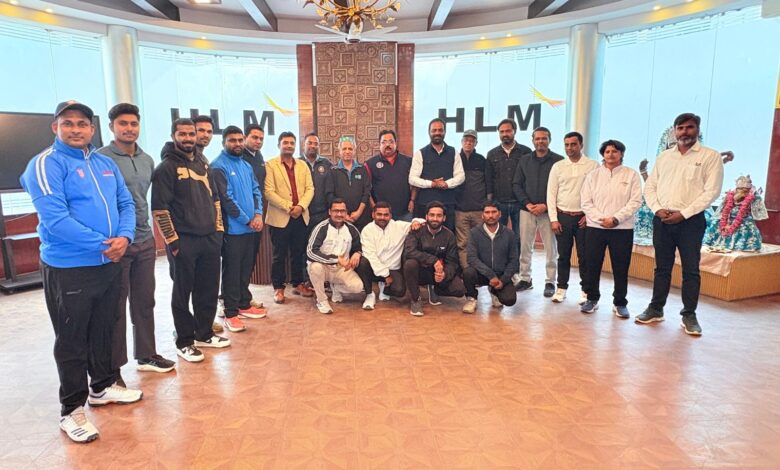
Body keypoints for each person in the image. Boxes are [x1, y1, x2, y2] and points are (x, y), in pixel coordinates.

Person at [20, 100, 142, 443]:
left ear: (92, 128)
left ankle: (102, 387)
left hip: (109, 262)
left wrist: (125, 237)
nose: (76, 129)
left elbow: (126, 203)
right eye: (68, 123)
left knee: (105, 328)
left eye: (82, 124)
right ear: (55, 127)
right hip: (70, 267)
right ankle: (71, 410)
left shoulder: (104, 163)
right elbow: (55, 219)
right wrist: (104, 244)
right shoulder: (45, 164)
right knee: (72, 340)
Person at [99, 103, 175, 386]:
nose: (129, 129)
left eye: (133, 124)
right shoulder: (100, 158)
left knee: (144, 302)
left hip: (144, 240)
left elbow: (144, 199)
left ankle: (147, 355)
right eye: (123, 124)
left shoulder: (147, 160)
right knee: (115, 309)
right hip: (116, 244)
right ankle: (113, 371)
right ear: (112, 127)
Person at [152, 118, 230, 363]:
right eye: (182, 134)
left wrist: (218, 231)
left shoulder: (202, 163)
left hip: (209, 239)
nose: (188, 138)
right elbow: (160, 209)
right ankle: (184, 342)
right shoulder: (165, 168)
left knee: (208, 289)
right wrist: (173, 242)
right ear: (173, 136)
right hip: (183, 242)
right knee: (182, 294)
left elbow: (215, 199)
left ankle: (204, 334)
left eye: (191, 134)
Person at [639, 113, 724, 336]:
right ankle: (656, 309)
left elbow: (712, 192)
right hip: (662, 219)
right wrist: (657, 209)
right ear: (675, 131)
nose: (685, 132)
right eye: (680, 128)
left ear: (697, 129)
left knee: (691, 270)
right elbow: (651, 187)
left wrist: (683, 214)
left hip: (691, 221)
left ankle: (689, 315)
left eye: (690, 127)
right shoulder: (664, 157)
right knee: (662, 268)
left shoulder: (710, 156)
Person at [211, 126, 266, 333]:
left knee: (245, 269)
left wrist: (258, 214)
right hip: (233, 230)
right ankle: (230, 312)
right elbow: (226, 199)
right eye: (232, 140)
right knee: (232, 272)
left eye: (239, 140)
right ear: (224, 142)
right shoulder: (218, 166)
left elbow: (256, 191)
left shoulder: (245, 165)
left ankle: (243, 304)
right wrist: (247, 219)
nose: (237, 144)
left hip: (251, 228)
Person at [580, 140, 642, 318]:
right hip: (596, 228)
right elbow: (586, 202)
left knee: (621, 267)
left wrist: (616, 219)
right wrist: (602, 219)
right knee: (592, 265)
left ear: (621, 154)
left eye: (615, 151)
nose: (611, 154)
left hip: (622, 229)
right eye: (607, 152)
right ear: (603, 155)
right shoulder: (593, 175)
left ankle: (620, 303)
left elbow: (635, 201)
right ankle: (592, 299)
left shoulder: (631, 175)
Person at [546, 131, 598, 305]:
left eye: (573, 144)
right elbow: (551, 194)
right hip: (563, 218)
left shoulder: (593, 165)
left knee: (585, 256)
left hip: (584, 219)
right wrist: (554, 219)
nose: (570, 148)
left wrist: (589, 215)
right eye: (567, 145)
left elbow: (597, 193)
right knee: (563, 256)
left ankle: (585, 291)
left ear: (581, 145)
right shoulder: (558, 166)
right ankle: (561, 288)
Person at [512, 126, 564, 297]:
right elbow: (517, 184)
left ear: (549, 140)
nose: (540, 141)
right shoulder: (524, 160)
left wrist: (546, 206)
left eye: (544, 138)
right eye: (537, 138)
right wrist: (527, 204)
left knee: (551, 248)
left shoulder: (559, 161)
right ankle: (525, 278)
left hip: (549, 212)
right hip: (527, 210)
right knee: (525, 246)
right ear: (533, 141)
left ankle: (550, 282)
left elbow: (562, 189)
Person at [264, 131, 315, 304]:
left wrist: (300, 206)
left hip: (301, 216)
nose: (289, 146)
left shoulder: (302, 165)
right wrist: (288, 207)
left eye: (292, 143)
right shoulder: (270, 165)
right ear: (279, 145)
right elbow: (268, 191)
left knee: (298, 252)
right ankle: (278, 288)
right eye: (285, 142)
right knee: (279, 255)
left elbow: (310, 189)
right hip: (280, 217)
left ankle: (298, 284)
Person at [403, 201, 466, 316]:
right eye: (432, 215)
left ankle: (434, 289)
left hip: (438, 272)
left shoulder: (449, 235)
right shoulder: (416, 230)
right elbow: (409, 251)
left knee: (459, 290)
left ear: (444, 218)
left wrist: (444, 274)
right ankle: (416, 299)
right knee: (410, 264)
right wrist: (433, 260)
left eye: (439, 215)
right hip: (420, 271)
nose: (435, 219)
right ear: (426, 216)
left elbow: (452, 261)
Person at [356, 201, 423, 309]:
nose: (382, 217)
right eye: (379, 214)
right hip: (373, 267)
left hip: (393, 268)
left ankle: (385, 288)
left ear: (390, 216)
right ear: (373, 215)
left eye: (386, 215)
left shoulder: (399, 226)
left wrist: (416, 221)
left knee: (400, 291)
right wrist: (386, 275)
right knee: (362, 262)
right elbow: (371, 256)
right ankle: (369, 294)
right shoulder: (367, 230)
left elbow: (422, 222)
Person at [306, 199, 365, 314]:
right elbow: (311, 252)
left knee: (358, 287)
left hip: (342, 269)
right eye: (336, 211)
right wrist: (335, 259)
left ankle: (336, 288)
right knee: (315, 267)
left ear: (346, 212)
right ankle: (322, 300)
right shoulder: (321, 228)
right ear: (329, 212)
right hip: (323, 267)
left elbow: (361, 246)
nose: (339, 214)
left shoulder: (351, 229)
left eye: (342, 211)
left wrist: (358, 253)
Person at [462, 202, 518, 314]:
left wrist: (503, 280)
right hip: (482, 274)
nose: (490, 215)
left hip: (501, 275)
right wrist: (491, 275)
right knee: (468, 272)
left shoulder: (509, 234)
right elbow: (472, 258)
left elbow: (514, 260)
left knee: (509, 300)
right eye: (487, 212)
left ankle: (494, 291)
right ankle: (472, 298)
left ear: (500, 214)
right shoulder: (474, 233)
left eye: (494, 212)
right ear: (482, 215)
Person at [409, 118, 465, 230]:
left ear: (445, 132)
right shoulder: (420, 153)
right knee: (423, 236)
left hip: (447, 204)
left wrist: (447, 184)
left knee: (448, 236)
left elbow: (461, 176)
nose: (437, 133)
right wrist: (432, 184)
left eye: (440, 130)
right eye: (434, 130)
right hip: (425, 204)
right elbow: (412, 179)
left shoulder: (453, 152)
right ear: (429, 132)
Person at [485, 119, 531, 233]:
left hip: (520, 202)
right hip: (499, 202)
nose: (505, 134)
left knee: (519, 235)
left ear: (514, 131)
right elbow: (489, 179)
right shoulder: (492, 154)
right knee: (499, 235)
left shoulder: (526, 152)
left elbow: (529, 178)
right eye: (502, 132)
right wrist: (490, 201)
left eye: (508, 131)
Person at [703, 175, 768, 252]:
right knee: (716, 222)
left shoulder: (753, 195)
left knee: (747, 226)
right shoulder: (731, 194)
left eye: (745, 189)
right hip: (728, 218)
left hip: (744, 219)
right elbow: (724, 208)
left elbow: (757, 211)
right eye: (740, 189)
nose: (742, 191)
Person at [241, 123, 267, 310]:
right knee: (235, 262)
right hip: (240, 219)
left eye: (261, 139)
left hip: (257, 216)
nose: (258, 141)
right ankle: (227, 299)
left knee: (249, 260)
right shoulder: (238, 156)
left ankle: (243, 295)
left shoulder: (258, 157)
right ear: (245, 138)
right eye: (254, 137)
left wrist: (258, 214)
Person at [454, 129, 487, 269]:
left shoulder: (482, 160)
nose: (469, 143)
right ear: (461, 142)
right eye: (466, 140)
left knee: (481, 243)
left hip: (479, 210)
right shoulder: (455, 159)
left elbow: (488, 183)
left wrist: (486, 204)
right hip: (460, 211)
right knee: (463, 244)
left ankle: (480, 272)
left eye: (472, 141)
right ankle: (467, 272)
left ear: (476, 143)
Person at [365, 130, 415, 221]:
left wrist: (412, 200)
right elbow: (366, 189)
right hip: (381, 214)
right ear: (379, 144)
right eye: (384, 142)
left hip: (405, 212)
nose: (387, 145)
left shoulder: (408, 161)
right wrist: (374, 207)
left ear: (396, 143)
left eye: (391, 142)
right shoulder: (370, 164)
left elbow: (415, 184)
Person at [327, 136, 372, 230]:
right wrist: (343, 214)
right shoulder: (333, 171)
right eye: (344, 149)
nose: (347, 151)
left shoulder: (362, 169)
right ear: (339, 151)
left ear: (354, 151)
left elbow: (367, 192)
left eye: (350, 149)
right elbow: (330, 194)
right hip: (340, 218)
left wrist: (359, 212)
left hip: (362, 217)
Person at [299, 132, 333, 229]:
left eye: (316, 144)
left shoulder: (327, 163)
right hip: (302, 213)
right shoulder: (297, 163)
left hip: (323, 214)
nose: (313, 146)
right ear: (303, 145)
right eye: (309, 143)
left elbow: (331, 188)